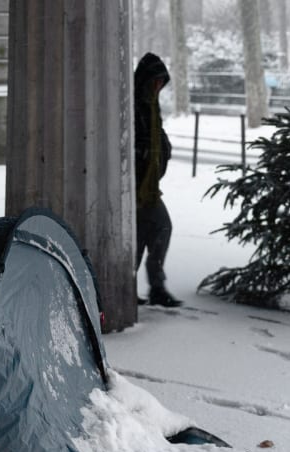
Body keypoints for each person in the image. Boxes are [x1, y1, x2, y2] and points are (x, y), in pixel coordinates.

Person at [133, 52, 182, 308]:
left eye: (160, 83)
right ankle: (130, 288)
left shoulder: (151, 107)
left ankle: (156, 287)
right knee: (139, 237)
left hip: (149, 188)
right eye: (154, 82)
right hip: (135, 188)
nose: (157, 87)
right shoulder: (133, 106)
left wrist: (163, 149)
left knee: (160, 228)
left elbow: (156, 138)